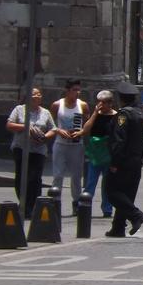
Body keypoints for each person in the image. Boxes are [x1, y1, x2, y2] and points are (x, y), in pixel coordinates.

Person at [105, 82, 143, 237]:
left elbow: (119, 139)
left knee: (111, 192)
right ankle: (118, 227)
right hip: (136, 161)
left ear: (121, 99)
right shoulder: (141, 114)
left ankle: (136, 215)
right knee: (127, 194)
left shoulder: (123, 115)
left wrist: (115, 162)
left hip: (123, 161)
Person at [5, 87, 56, 217]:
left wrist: (45, 137)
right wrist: (26, 127)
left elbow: (53, 129)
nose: (37, 96)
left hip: (38, 150)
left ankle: (33, 205)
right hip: (21, 148)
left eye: (39, 94)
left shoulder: (45, 113)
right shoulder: (19, 110)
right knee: (21, 177)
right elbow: (9, 125)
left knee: (35, 178)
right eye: (35, 94)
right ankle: (24, 204)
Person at [49, 79, 91, 214]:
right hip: (60, 144)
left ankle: (76, 203)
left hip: (76, 145)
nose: (77, 93)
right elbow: (50, 123)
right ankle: (55, 202)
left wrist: (81, 132)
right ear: (67, 91)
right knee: (58, 175)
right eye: (74, 90)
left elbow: (87, 124)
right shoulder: (57, 105)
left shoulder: (82, 105)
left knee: (76, 176)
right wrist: (58, 130)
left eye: (79, 90)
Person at [80, 90, 116, 218]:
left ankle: (107, 209)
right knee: (90, 181)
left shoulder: (115, 116)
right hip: (95, 154)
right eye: (99, 102)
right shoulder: (96, 115)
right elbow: (86, 129)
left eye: (104, 103)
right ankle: (84, 206)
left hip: (108, 154)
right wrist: (95, 113)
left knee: (107, 184)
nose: (101, 105)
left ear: (110, 103)